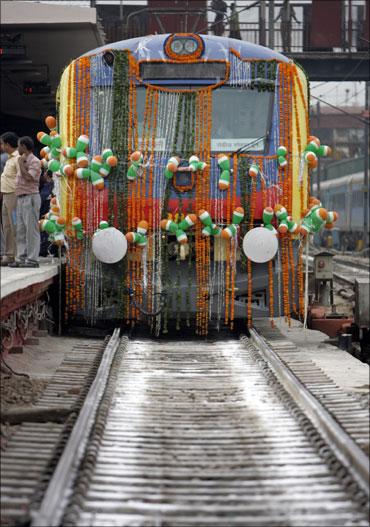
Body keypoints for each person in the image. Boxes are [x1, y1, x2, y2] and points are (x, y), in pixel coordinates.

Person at [9, 136, 41, 268]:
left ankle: (32, 259)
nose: (18, 148)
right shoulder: (21, 159)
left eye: (19, 146)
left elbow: (28, 177)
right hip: (21, 197)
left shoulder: (35, 161)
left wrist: (21, 164)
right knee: (20, 229)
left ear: (24, 146)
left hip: (31, 197)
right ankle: (21, 258)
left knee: (31, 229)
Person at [0, 132, 19, 266]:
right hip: (6, 195)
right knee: (6, 226)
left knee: (15, 226)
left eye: (2, 143)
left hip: (14, 195)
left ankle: (18, 255)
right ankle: (9, 254)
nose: (1, 146)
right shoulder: (8, 158)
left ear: (7, 144)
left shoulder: (18, 158)